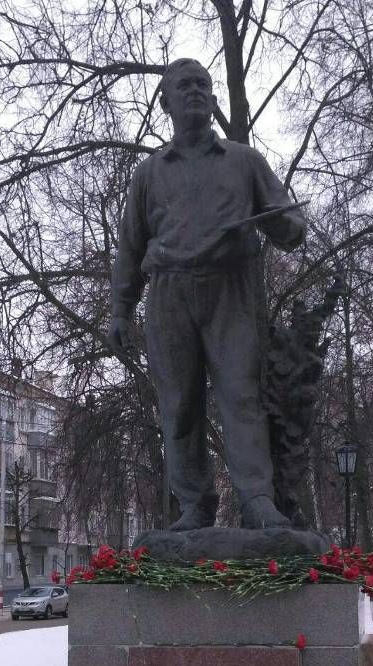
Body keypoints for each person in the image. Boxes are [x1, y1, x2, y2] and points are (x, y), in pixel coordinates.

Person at [108, 58, 306, 531]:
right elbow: (130, 247)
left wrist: (283, 225)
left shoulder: (245, 161)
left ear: (215, 100)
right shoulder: (149, 173)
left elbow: (291, 225)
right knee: (178, 404)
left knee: (241, 396)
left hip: (231, 290)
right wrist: (120, 310)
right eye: (184, 86)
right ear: (166, 102)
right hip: (170, 291)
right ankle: (195, 504)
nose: (194, 92)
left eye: (202, 84)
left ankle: (257, 500)